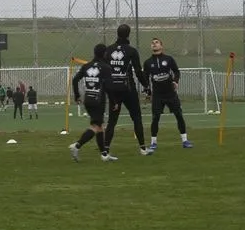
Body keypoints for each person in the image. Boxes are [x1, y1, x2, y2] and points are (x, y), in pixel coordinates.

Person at [100, 24, 154, 160]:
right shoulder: (131, 51)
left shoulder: (108, 50)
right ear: (129, 34)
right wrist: (146, 87)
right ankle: (142, 148)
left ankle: (105, 151)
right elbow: (138, 71)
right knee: (136, 118)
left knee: (112, 121)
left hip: (113, 90)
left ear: (117, 34)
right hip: (128, 89)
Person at [142, 37, 192, 150]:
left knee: (179, 115)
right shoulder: (148, 62)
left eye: (157, 42)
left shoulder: (168, 59)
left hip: (170, 93)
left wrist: (175, 81)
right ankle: (153, 142)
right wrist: (148, 91)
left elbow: (176, 71)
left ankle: (185, 140)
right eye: (152, 43)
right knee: (155, 118)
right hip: (157, 95)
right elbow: (145, 78)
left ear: (161, 46)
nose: (154, 44)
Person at [68, 44, 111, 162]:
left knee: (100, 126)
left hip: (88, 98)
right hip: (98, 99)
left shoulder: (86, 66)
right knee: (96, 127)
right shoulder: (106, 67)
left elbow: (75, 79)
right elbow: (109, 86)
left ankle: (104, 155)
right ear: (104, 54)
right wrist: (115, 100)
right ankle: (77, 146)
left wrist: (77, 95)